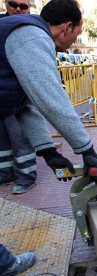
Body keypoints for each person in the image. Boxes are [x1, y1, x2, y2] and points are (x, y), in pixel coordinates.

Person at [0, 0, 97, 273]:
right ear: (67, 27)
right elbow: (51, 98)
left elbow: (25, 105)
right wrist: (85, 148)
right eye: (78, 35)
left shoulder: (25, 34)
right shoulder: (31, 36)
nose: (74, 41)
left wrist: (49, 152)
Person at [0, 0, 38, 194]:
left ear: (29, 7)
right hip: (2, 92)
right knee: (2, 138)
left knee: (20, 135)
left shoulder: (30, 28)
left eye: (23, 6)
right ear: (5, 3)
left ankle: (27, 176)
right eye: (13, 3)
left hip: (20, 93)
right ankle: (5, 173)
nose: (18, 9)